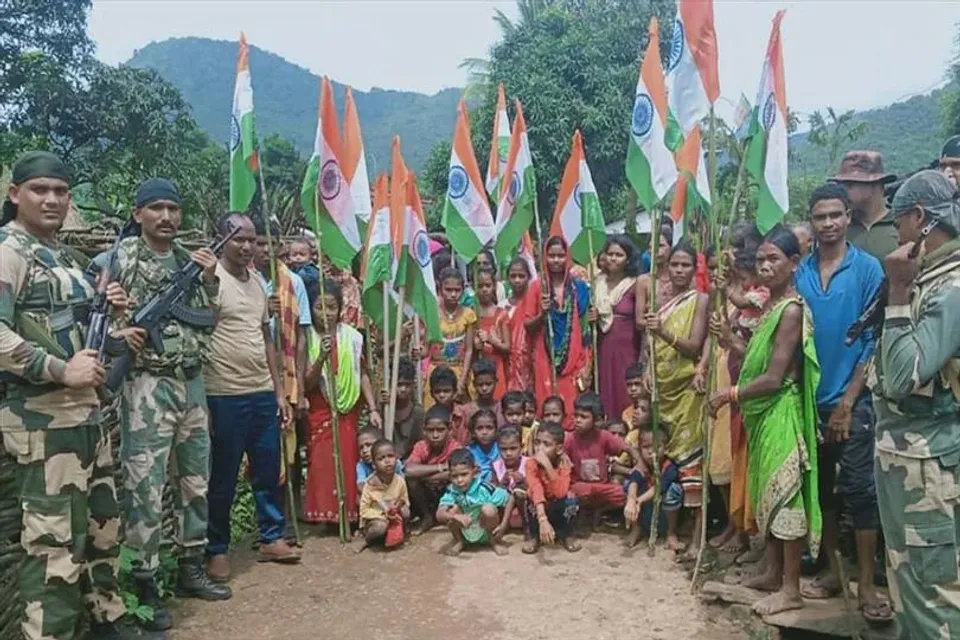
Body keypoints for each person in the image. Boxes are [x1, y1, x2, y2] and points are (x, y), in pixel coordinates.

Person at [0, 151, 147, 639]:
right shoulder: (9, 252)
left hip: (86, 417)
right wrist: (59, 369)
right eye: (40, 189)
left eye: (61, 191)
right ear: (14, 194)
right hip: (43, 423)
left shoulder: (65, 256)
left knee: (104, 531)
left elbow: (80, 335)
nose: (52, 199)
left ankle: (108, 619)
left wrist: (114, 319)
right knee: (52, 548)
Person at [114, 178, 231, 631]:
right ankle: (145, 582)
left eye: (173, 208)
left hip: (192, 382)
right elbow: (96, 310)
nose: (166, 217)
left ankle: (190, 566)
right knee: (145, 486)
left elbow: (209, 319)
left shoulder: (190, 259)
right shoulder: (119, 259)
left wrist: (208, 280)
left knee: (195, 480)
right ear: (138, 213)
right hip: (147, 384)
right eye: (156, 208)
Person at [709, 224, 822, 617]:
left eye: (774, 259)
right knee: (767, 493)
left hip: (780, 413)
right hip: (763, 416)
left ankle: (791, 589)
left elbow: (775, 377)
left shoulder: (790, 310)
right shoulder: (770, 307)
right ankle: (773, 572)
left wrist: (729, 394)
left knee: (785, 496)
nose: (766, 266)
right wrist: (730, 341)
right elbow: (756, 354)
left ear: (794, 263)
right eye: (760, 260)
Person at [793, 183, 890, 623]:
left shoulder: (868, 269)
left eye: (836, 215)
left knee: (860, 492)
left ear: (848, 218)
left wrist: (849, 402)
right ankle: (833, 572)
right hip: (808, 400)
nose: (828, 224)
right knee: (823, 491)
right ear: (810, 221)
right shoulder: (800, 274)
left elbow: (873, 341)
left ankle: (867, 583)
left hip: (855, 401)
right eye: (820, 217)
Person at [872, 170, 960, 637]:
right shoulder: (933, 275)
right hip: (908, 459)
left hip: (930, 465)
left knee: (933, 598)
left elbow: (905, 375)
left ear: (921, 220)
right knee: (909, 585)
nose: (897, 234)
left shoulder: (950, 287)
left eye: (900, 222)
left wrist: (900, 293)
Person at [205, 213, 299, 582]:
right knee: (224, 477)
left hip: (261, 391)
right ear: (221, 238)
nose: (246, 247)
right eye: (238, 239)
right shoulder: (211, 281)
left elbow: (267, 339)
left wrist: (278, 392)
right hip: (224, 393)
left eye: (252, 240)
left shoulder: (259, 282)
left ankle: (271, 538)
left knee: (266, 470)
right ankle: (217, 549)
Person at [644, 241, 709, 556]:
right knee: (663, 459)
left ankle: (697, 536)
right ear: (667, 267)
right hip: (662, 391)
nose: (680, 270)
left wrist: (663, 334)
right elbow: (649, 344)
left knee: (692, 464)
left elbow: (694, 346)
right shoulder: (659, 300)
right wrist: (646, 369)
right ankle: (667, 528)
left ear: (695, 268)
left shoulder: (700, 300)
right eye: (675, 265)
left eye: (686, 265)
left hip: (686, 392)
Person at [303, 279, 380, 525]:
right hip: (320, 407)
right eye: (319, 307)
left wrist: (373, 407)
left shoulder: (353, 337)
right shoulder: (306, 337)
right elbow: (306, 383)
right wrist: (321, 357)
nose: (326, 313)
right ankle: (326, 513)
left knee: (348, 459)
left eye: (332, 307)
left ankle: (350, 513)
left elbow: (363, 373)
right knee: (323, 462)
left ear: (340, 309)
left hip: (349, 409)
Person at [253, 218, 311, 536]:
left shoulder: (293, 283)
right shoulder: (244, 281)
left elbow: (302, 336)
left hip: (286, 373)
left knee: (289, 447)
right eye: (259, 243)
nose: (264, 250)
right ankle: (265, 517)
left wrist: (300, 386)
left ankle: (288, 514)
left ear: (281, 247)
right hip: (253, 374)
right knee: (262, 451)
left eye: (270, 243)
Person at [524, 236, 593, 413]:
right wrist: (542, 314)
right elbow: (528, 325)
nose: (556, 260)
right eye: (551, 256)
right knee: (548, 406)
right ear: (545, 257)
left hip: (575, 356)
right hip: (544, 356)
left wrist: (588, 363)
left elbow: (586, 328)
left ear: (567, 257)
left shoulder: (579, 288)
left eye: (560, 256)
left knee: (573, 408)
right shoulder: (537, 287)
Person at [564, 393, 638, 519]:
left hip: (603, 487)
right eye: (576, 415)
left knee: (624, 493)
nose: (578, 420)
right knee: (578, 491)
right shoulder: (570, 439)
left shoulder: (603, 436)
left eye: (583, 417)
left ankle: (600, 511)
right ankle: (584, 514)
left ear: (596, 419)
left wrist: (637, 463)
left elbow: (628, 448)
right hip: (580, 487)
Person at [594, 234, 642, 420]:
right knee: (606, 390)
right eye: (610, 253)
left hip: (628, 347)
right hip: (604, 347)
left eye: (619, 254)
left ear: (628, 258)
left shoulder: (635, 285)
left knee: (626, 391)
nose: (613, 258)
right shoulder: (597, 283)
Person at [436, 448, 514, 556]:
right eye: (455, 476)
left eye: (464, 474)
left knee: (488, 509)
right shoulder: (452, 491)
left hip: (485, 531)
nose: (459, 480)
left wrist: (504, 524)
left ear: (474, 472)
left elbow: (509, 498)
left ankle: (493, 541)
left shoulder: (484, 488)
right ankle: (460, 541)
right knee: (452, 510)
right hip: (464, 531)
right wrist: (454, 517)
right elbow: (439, 514)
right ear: (449, 476)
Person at [524, 422, 581, 554]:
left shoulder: (564, 464)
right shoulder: (531, 463)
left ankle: (568, 534)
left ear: (559, 449)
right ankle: (534, 536)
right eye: (538, 443)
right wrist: (542, 518)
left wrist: (548, 466)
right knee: (530, 496)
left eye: (546, 444)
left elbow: (560, 492)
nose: (540, 449)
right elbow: (536, 487)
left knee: (572, 500)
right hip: (540, 508)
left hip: (558, 505)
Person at [405, 405, 463, 534]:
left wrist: (424, 474)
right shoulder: (422, 446)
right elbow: (409, 471)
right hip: (426, 495)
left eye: (440, 430)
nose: (435, 435)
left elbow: (455, 473)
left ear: (449, 429)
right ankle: (427, 517)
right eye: (430, 430)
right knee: (412, 481)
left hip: (448, 492)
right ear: (424, 431)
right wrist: (440, 467)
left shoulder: (455, 447)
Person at [831, 151, 899, 260]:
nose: (842, 192)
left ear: (875, 184)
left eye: (849, 185)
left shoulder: (901, 226)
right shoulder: (837, 228)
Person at [623, 428, 683, 549]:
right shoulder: (642, 464)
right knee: (627, 484)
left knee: (674, 490)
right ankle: (637, 528)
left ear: (666, 448)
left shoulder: (670, 466)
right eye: (646, 447)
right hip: (646, 513)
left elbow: (659, 487)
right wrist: (631, 500)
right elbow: (634, 480)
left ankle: (671, 533)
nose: (651, 452)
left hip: (664, 515)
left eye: (656, 447)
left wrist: (638, 501)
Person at [427, 267, 476, 407]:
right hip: (435, 370)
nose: (453, 294)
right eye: (448, 290)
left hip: (459, 369)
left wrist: (463, 379)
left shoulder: (468, 314)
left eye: (457, 290)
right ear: (440, 289)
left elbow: (469, 350)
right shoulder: (432, 314)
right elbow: (426, 347)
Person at [358, 439, 410, 551]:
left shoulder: (400, 481)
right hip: (376, 520)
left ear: (396, 459)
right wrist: (383, 514)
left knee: (406, 512)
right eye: (381, 459)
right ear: (374, 465)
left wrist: (399, 506)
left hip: (394, 516)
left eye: (390, 456)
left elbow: (405, 500)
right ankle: (367, 540)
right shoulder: (370, 485)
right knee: (380, 527)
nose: (387, 461)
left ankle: (399, 535)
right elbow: (363, 511)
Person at [475, 267, 509, 401]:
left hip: (497, 368)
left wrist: (491, 340)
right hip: (477, 369)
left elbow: (507, 348)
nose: (484, 289)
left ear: (494, 286)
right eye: (480, 286)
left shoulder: (501, 314)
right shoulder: (472, 314)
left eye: (488, 285)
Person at [504, 256, 534, 391]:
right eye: (513, 276)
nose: (517, 280)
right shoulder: (502, 306)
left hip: (531, 362)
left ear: (528, 277)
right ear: (507, 278)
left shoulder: (535, 305)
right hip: (508, 363)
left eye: (521, 276)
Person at [388, 356, 424, 459]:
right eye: (399, 385)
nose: (403, 389)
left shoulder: (418, 413)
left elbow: (420, 444)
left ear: (413, 385)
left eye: (407, 385)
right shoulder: (385, 409)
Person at [492, 425, 528, 530]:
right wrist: (502, 483)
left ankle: (527, 526)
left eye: (513, 448)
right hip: (504, 508)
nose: (508, 453)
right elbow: (492, 491)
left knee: (520, 492)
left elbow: (536, 487)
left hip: (524, 507)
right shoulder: (496, 466)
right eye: (504, 449)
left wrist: (523, 481)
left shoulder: (528, 463)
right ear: (498, 449)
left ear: (521, 447)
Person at [457, 358, 504, 428]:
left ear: (496, 382)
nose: (484, 388)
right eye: (480, 385)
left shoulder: (502, 409)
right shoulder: (465, 411)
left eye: (488, 384)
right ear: (474, 384)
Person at [428, 366, 469, 444]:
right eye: (437, 391)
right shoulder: (429, 416)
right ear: (431, 393)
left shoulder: (464, 414)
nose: (442, 395)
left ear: (455, 392)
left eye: (446, 391)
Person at [356, 426, 402, 495]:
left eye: (368, 445)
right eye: (361, 448)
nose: (364, 450)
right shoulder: (362, 466)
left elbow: (401, 482)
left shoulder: (393, 462)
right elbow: (360, 485)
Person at [466, 408, 501, 482]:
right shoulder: (468, 452)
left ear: (496, 430)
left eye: (489, 428)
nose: (484, 432)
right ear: (473, 432)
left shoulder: (502, 449)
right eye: (480, 428)